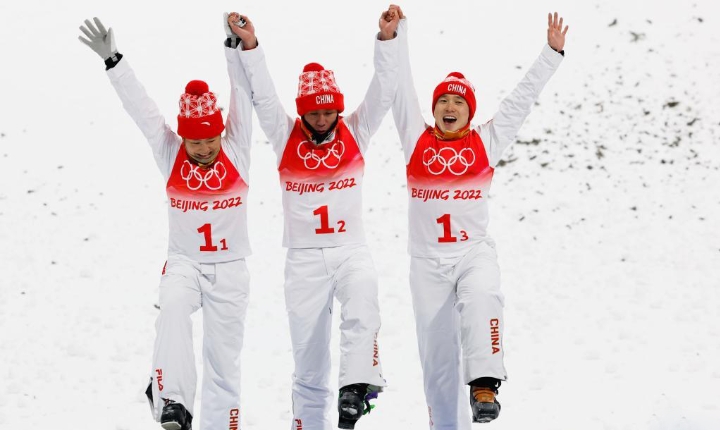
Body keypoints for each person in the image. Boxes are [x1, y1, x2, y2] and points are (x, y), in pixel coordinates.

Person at [390, 9, 569, 428]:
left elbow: (521, 99)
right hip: (426, 262)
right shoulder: (416, 138)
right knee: (437, 362)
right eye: (443, 101)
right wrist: (397, 35)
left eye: (458, 102)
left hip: (472, 253)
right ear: (434, 109)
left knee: (484, 295)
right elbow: (399, 87)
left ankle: (485, 383)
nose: (449, 107)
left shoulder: (486, 140)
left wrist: (552, 53)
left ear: (470, 112)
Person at [225, 6, 400, 430]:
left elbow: (383, 90)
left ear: (337, 110)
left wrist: (388, 40)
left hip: (349, 250)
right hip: (302, 261)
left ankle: (355, 390)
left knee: (364, 297)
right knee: (308, 363)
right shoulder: (286, 137)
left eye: (328, 112)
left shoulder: (356, 132)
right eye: (314, 113)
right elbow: (264, 96)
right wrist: (250, 46)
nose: (321, 120)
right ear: (302, 111)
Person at [78, 13, 256, 430]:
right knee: (173, 308)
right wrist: (113, 60)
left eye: (211, 138)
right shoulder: (170, 153)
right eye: (196, 141)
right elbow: (142, 110)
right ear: (184, 137)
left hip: (231, 268)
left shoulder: (236, 148)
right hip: (185, 263)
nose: (205, 148)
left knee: (223, 362)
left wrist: (234, 49)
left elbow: (242, 95)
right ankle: (173, 401)